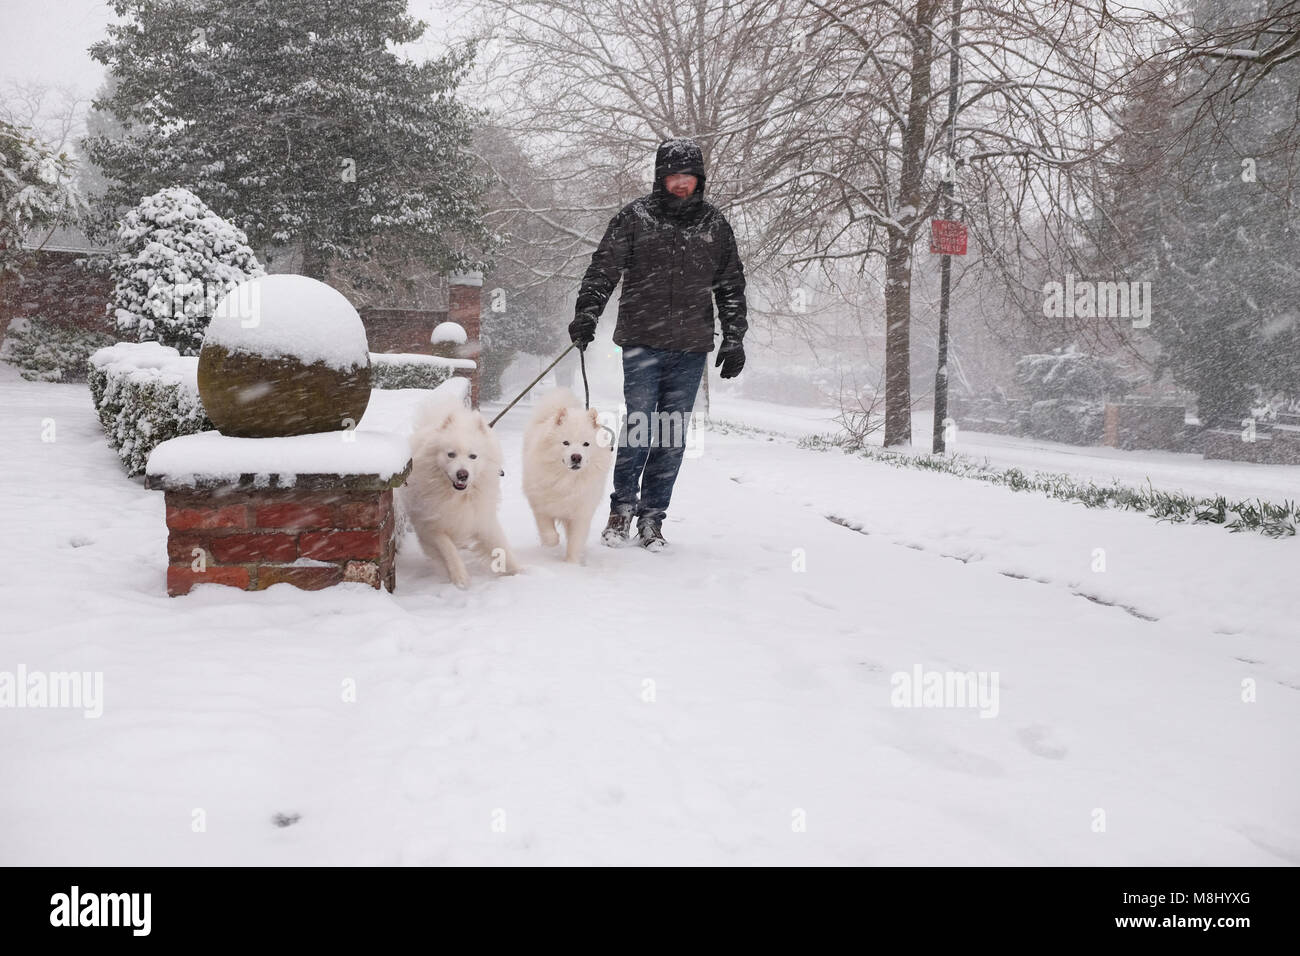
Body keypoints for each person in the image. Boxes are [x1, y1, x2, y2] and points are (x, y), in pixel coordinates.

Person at [569, 137, 748, 551]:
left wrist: (734, 336)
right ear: (660, 177)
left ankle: (652, 518)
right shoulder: (635, 218)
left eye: (688, 177)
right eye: (674, 176)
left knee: (671, 434)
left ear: (698, 179)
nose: (681, 184)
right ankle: (621, 510)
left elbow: (731, 286)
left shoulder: (714, 226)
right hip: (642, 342)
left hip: (690, 348)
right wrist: (587, 313)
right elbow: (603, 269)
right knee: (639, 424)